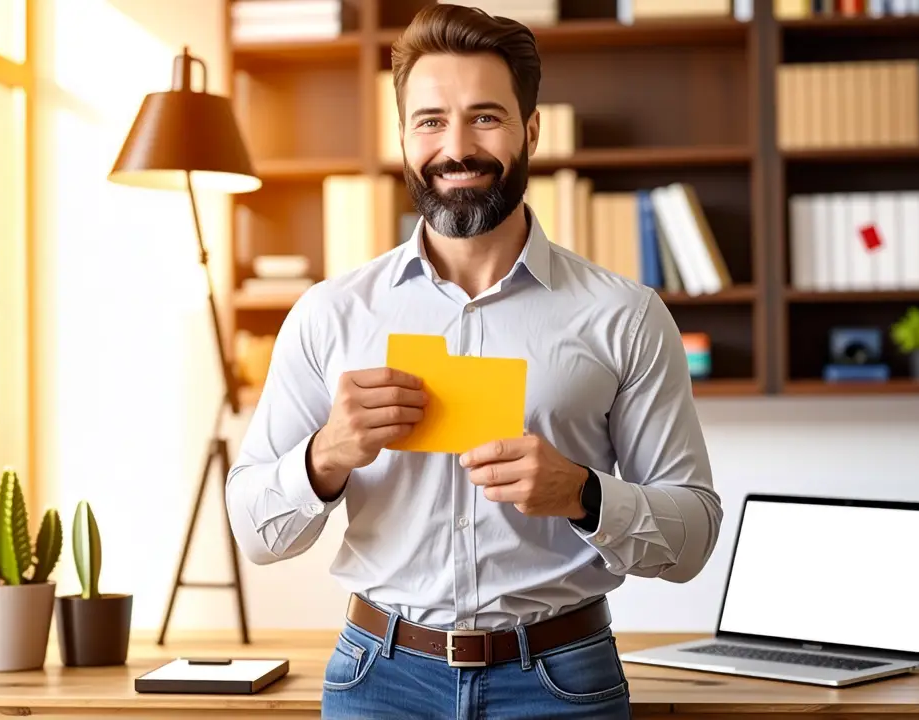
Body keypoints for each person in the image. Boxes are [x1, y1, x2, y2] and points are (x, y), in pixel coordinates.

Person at [225, 3, 723, 717]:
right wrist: (326, 455)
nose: (455, 147)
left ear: (531, 131)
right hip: (378, 682)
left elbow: (695, 536)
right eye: (430, 121)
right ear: (403, 137)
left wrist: (584, 495)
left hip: (562, 682)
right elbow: (253, 532)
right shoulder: (329, 315)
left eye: (485, 117)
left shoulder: (627, 316)